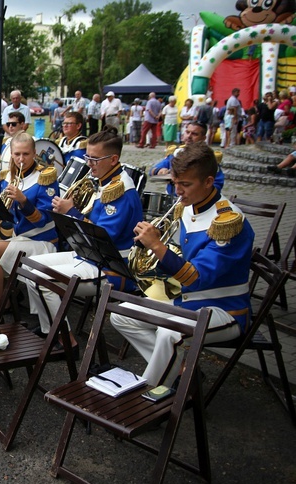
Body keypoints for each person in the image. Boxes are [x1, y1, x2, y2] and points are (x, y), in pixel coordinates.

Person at [111, 142, 254, 387]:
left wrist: (157, 245)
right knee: (121, 315)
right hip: (184, 300)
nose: (177, 191)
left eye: (185, 184)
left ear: (209, 182)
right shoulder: (188, 207)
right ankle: (180, 372)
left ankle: (150, 397)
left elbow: (196, 278)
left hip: (224, 310)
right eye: (175, 182)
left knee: (171, 334)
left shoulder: (227, 222)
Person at [25, 128, 144, 351]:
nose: (89, 163)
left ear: (114, 159)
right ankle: (49, 329)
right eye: (87, 157)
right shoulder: (107, 180)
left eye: (95, 158)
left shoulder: (121, 190)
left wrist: (73, 212)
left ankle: (66, 340)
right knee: (32, 270)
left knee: (43, 280)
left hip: (112, 267)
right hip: (91, 256)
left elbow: (103, 236)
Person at [0, 132, 59, 313]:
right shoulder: (8, 177)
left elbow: (42, 221)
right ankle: (5, 302)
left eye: (26, 154)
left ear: (34, 153)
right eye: (17, 154)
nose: (21, 159)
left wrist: (24, 201)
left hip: (42, 241)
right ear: (11, 154)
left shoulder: (45, 177)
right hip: (20, 238)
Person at [150, 121, 225, 194]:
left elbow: (217, 185)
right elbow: (152, 171)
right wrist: (160, 171)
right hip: (172, 197)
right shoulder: (176, 153)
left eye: (194, 134)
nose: (189, 136)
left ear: (203, 138)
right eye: (187, 132)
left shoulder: (208, 158)